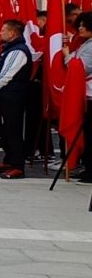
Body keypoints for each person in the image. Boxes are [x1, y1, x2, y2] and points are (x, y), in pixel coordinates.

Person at [0, 19, 33, 178]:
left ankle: (18, 166)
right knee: (4, 130)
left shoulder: (18, 51)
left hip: (13, 97)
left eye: (3, 30)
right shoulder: (8, 49)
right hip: (4, 95)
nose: (0, 33)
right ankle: (9, 159)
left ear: (12, 33)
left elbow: (7, 74)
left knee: (13, 131)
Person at [60, 11, 92, 183]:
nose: (80, 28)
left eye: (83, 25)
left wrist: (67, 56)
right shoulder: (85, 44)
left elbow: (82, 67)